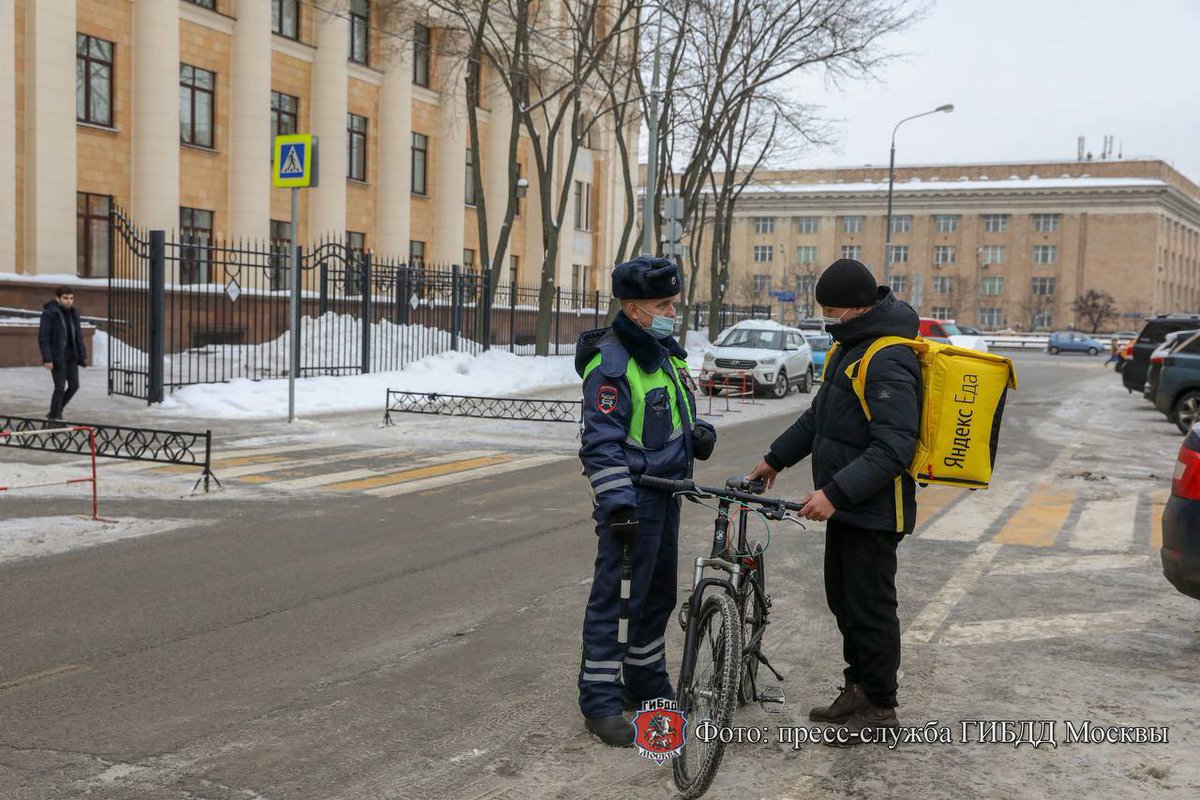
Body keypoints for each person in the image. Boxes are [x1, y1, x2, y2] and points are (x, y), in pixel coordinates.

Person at [746, 258, 921, 747]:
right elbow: (818, 418)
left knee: (870, 609)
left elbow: (894, 447)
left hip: (875, 509)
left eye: (832, 309)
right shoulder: (853, 348)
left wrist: (834, 493)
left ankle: (881, 708)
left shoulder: (886, 356)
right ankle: (857, 690)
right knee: (844, 603)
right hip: (850, 507)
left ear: (856, 307)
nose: (827, 318)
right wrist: (774, 459)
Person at [574, 256, 717, 747]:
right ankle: (600, 699)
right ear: (634, 310)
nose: (672, 312)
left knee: (656, 595)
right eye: (663, 305)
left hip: (667, 496)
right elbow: (602, 443)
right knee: (615, 601)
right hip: (631, 503)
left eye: (673, 303)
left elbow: (666, 417)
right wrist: (618, 505)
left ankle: (645, 680)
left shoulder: (666, 354)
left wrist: (694, 435)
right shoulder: (612, 362)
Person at [38, 286, 88, 421]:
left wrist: (82, 355)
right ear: (57, 298)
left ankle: (56, 411)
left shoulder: (73, 313)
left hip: (71, 356)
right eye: (65, 298)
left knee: (74, 386)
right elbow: (44, 337)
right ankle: (54, 418)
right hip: (57, 357)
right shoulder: (50, 313)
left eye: (71, 298)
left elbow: (78, 336)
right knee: (59, 387)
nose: (69, 301)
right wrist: (47, 358)